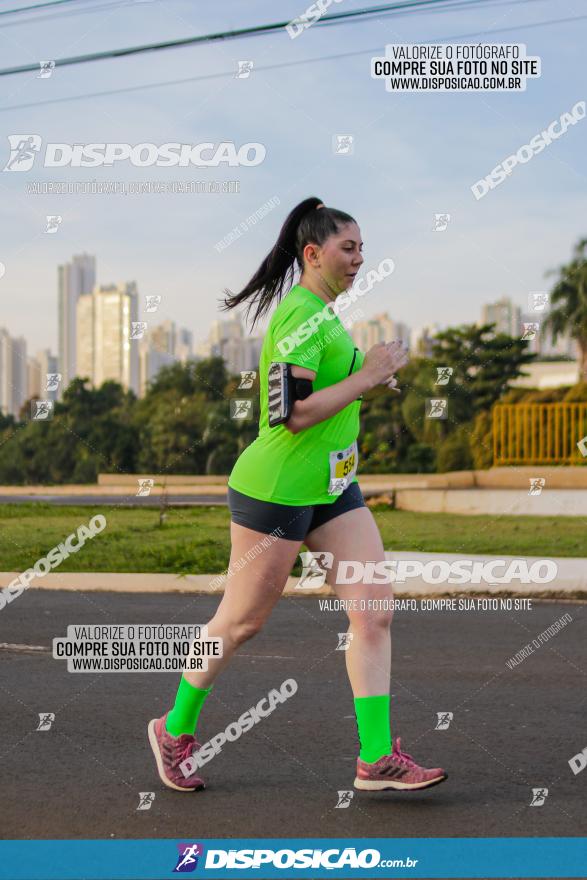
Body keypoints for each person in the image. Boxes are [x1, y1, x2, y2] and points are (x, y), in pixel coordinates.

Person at [148, 196, 448, 793]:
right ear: (313, 254)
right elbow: (291, 415)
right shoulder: (301, 317)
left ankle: (375, 758)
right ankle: (173, 728)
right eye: (349, 247)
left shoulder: (328, 317)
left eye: (363, 247)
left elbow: (327, 390)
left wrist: (369, 375)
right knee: (241, 622)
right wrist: (365, 375)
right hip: (278, 491)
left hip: (334, 488)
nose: (361, 258)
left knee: (374, 610)